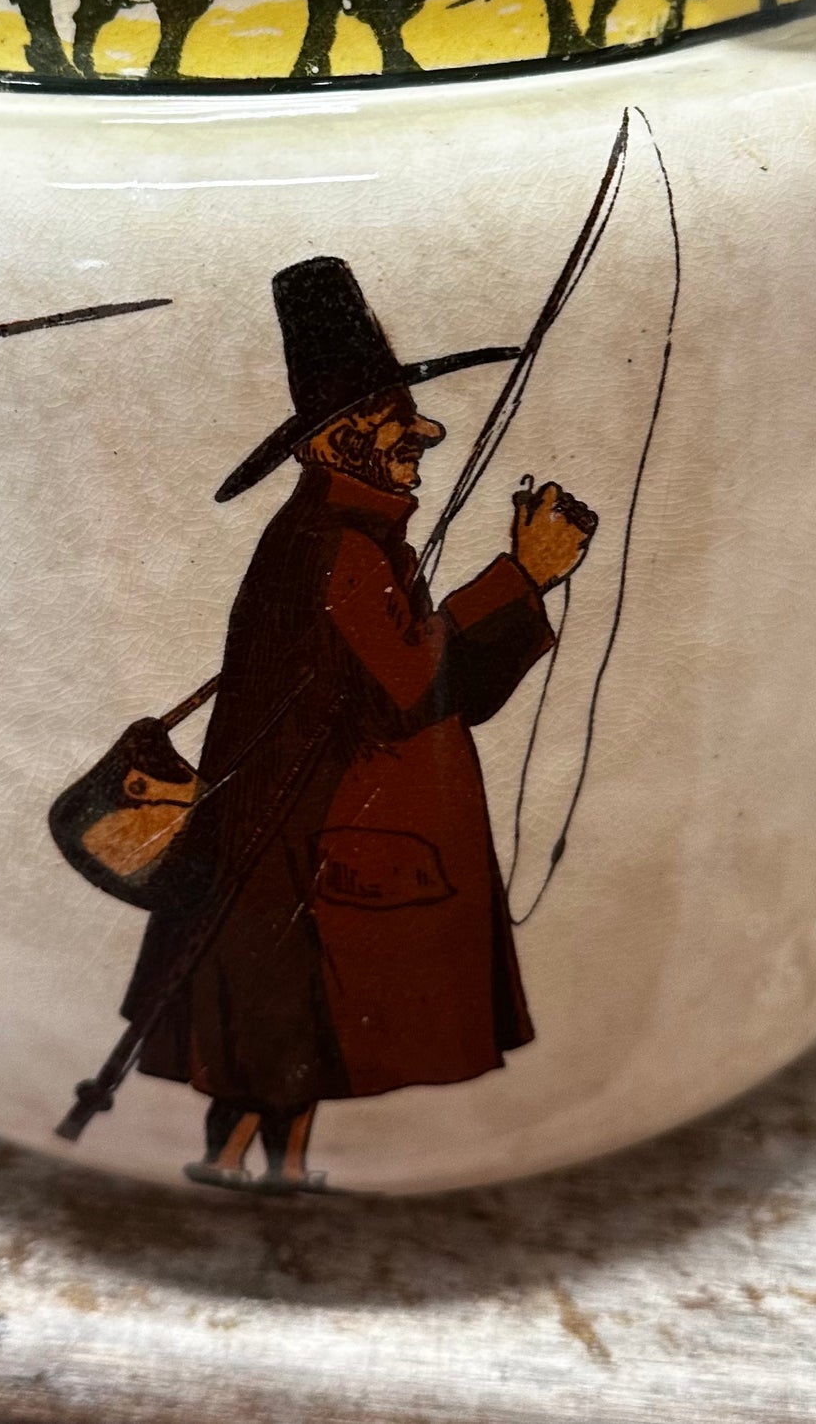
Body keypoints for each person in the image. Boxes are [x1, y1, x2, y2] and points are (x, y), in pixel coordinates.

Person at [122, 256, 596, 1190]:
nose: (424, 435)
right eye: (396, 421)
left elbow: (435, 683)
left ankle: (274, 1173)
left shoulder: (354, 540)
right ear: (341, 441)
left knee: (289, 1042)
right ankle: (250, 1176)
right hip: (305, 848)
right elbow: (414, 686)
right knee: (278, 1037)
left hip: (310, 844)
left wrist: (519, 586)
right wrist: (521, 575)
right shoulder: (337, 548)